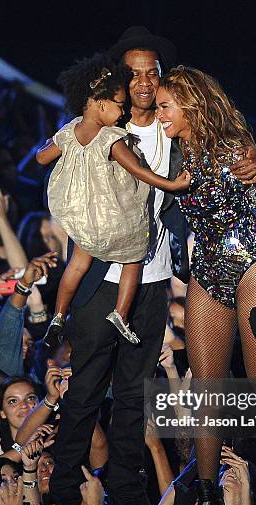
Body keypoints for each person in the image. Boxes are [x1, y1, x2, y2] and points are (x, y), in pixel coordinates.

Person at [17, 27, 256, 505]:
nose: (141, 82)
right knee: (84, 400)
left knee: (135, 403)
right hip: (95, 287)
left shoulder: (173, 132)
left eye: (151, 73)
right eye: (132, 73)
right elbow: (42, 161)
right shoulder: (93, 130)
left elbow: (231, 145)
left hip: (152, 284)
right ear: (115, 80)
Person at [155, 66, 256, 505]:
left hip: (251, 263)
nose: (158, 113)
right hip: (206, 271)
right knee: (206, 389)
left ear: (191, 103)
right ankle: (205, 492)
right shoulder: (172, 151)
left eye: (165, 105)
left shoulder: (233, 150)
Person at [37, 53, 189, 346]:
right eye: (118, 106)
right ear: (100, 103)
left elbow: (41, 156)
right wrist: (171, 183)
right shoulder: (111, 138)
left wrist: (56, 143)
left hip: (85, 219)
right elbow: (139, 171)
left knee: (76, 266)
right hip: (116, 218)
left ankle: (58, 314)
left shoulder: (70, 132)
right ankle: (120, 313)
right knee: (134, 258)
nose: (122, 113)